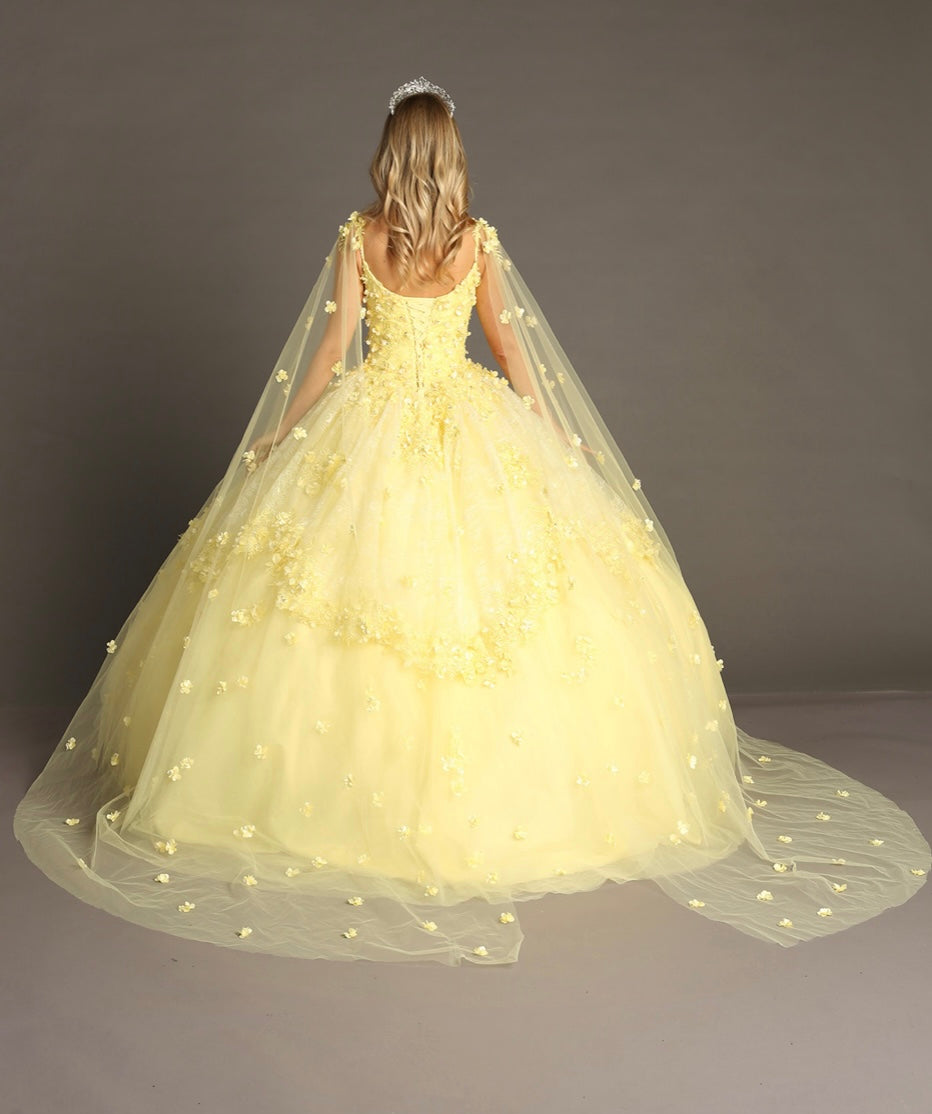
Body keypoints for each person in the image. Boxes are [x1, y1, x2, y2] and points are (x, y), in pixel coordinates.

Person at [13, 78, 929, 965]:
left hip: (367, 424)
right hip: (466, 421)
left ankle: (328, 806)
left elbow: (330, 355)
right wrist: (558, 439)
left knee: (331, 600)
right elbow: (512, 352)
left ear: (389, 155)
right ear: (451, 159)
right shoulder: (474, 245)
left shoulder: (362, 238)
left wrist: (276, 440)